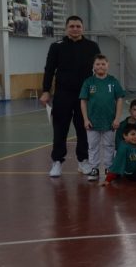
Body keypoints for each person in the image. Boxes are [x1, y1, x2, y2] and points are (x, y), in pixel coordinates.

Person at [40, 15, 101, 177]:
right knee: (60, 129)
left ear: (83, 28)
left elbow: (98, 69)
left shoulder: (92, 46)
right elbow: (49, 69)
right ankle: (57, 161)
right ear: (66, 28)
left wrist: (99, 90)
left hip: (85, 96)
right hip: (63, 94)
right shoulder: (56, 46)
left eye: (78, 26)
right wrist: (46, 91)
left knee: (83, 128)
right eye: (72, 26)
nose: (75, 29)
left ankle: (83, 161)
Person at [79, 54, 125, 182]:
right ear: (93, 66)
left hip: (109, 121)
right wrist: (85, 119)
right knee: (92, 146)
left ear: (108, 66)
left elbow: (119, 99)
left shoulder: (113, 81)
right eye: (98, 64)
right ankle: (94, 168)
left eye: (103, 64)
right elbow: (83, 101)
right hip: (93, 121)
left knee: (109, 145)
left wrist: (117, 118)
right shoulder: (89, 82)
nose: (100, 66)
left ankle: (109, 168)